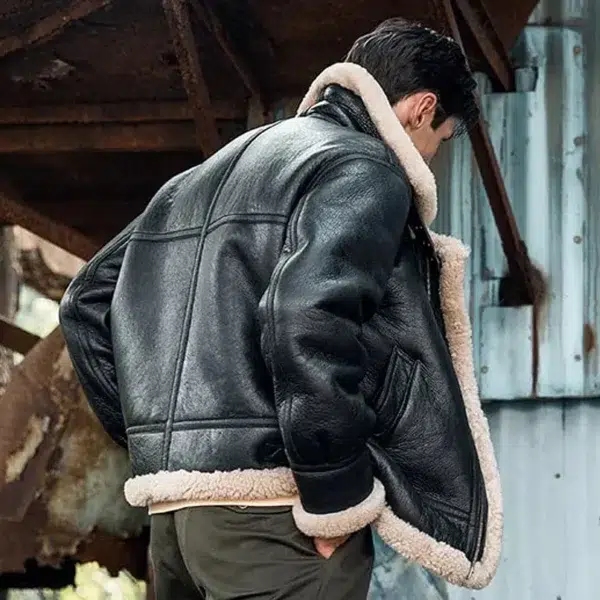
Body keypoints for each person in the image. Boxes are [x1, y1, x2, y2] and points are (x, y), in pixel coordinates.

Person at [60, 17, 502, 600]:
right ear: (422, 109)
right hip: (275, 518)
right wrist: (336, 499)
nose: (429, 158)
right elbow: (307, 320)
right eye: (439, 141)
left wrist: (163, 449)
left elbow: (85, 302)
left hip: (176, 520)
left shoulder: (202, 176)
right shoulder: (362, 167)